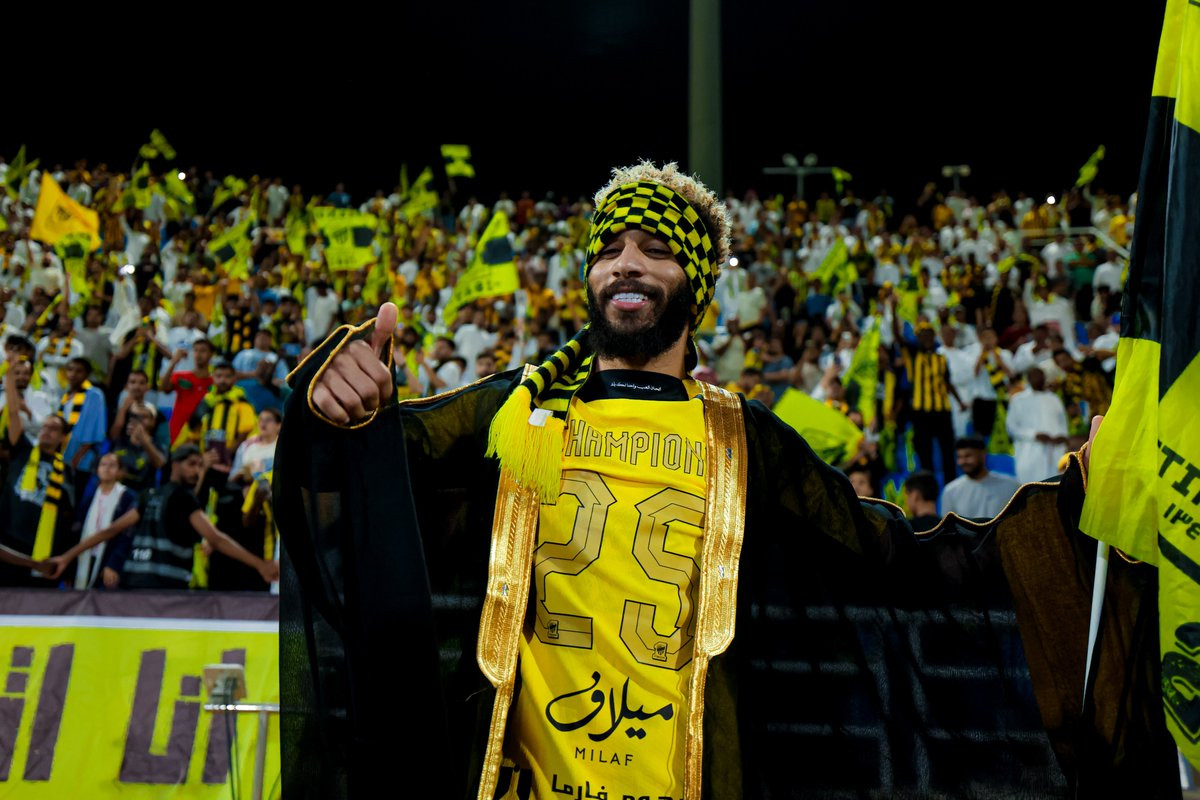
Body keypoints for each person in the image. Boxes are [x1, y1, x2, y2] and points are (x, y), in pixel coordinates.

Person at [277, 164, 1156, 799]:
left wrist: (1080, 497)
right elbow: (358, 480)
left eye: (654, 249)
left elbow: (901, 558)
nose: (626, 263)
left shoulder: (745, 438)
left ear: (694, 283)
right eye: (608, 249)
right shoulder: (513, 410)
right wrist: (338, 401)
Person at [48, 444, 278, 589]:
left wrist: (66, 557)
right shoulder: (183, 498)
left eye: (200, 466)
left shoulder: (150, 496)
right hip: (166, 587)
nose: (196, 471)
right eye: (192, 464)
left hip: (135, 581)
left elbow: (110, 531)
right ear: (175, 465)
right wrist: (261, 565)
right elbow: (215, 539)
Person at [0, 374, 74, 587]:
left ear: (63, 437)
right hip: (6, 539)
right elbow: (13, 413)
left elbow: (65, 516)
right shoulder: (23, 449)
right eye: (44, 427)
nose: (46, 432)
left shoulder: (67, 472)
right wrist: (10, 377)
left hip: (37, 549)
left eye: (53, 429)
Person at [70, 452, 137, 589]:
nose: (107, 468)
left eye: (112, 465)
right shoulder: (90, 497)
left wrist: (114, 564)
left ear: (120, 472)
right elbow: (78, 531)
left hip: (109, 558)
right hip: (86, 556)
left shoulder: (127, 497)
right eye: (103, 464)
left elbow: (127, 535)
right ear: (97, 469)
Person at [1006, 367, 1070, 483]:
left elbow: (1062, 422)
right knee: (1032, 483)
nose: (1038, 379)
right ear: (1028, 379)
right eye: (1034, 376)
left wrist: (1062, 436)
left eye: (1040, 376)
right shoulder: (1018, 399)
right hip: (1030, 449)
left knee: (1057, 482)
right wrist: (1033, 435)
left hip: (1055, 448)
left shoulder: (1054, 398)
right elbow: (1011, 427)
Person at [58, 357, 107, 498]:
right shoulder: (65, 395)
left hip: (80, 459)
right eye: (70, 369)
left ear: (87, 374)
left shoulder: (94, 394)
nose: (73, 374)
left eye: (79, 371)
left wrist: (77, 457)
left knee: (72, 498)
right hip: (62, 454)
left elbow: (94, 428)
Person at [939, 436, 1022, 518]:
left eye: (968, 456)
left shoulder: (1011, 485)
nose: (963, 462)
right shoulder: (951, 491)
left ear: (983, 454)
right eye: (959, 457)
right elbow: (947, 524)